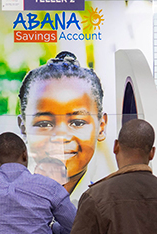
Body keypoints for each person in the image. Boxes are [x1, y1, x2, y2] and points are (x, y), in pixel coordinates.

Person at [17, 51, 115, 203]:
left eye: (77, 123)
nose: (61, 136)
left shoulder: (111, 203)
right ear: (23, 128)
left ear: (101, 127)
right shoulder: (12, 199)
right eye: (44, 124)